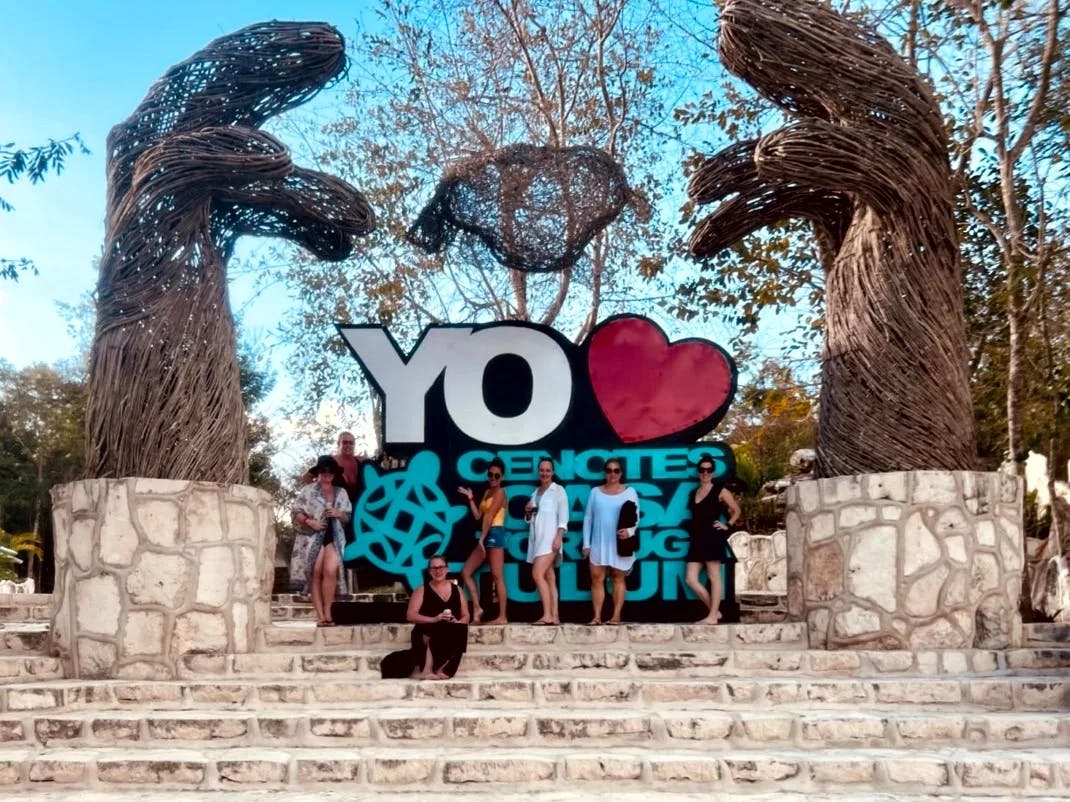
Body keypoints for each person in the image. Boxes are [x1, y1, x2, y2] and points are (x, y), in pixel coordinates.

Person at [292, 455, 352, 627]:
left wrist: (338, 513)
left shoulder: (341, 492)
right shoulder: (308, 491)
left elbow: (347, 516)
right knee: (315, 573)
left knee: (330, 571)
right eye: (324, 471)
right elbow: (297, 511)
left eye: (330, 471)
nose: (327, 474)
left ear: (334, 474)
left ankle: (328, 611)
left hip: (334, 536)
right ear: (318, 472)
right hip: (312, 536)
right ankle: (321, 616)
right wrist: (310, 521)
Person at [684, 452, 742, 624]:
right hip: (697, 539)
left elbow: (737, 510)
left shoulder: (720, 490)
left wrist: (727, 525)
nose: (705, 473)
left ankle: (712, 616)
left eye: (709, 470)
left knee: (714, 576)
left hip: (712, 538)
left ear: (714, 473)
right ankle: (714, 612)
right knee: (691, 579)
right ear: (698, 472)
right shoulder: (694, 492)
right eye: (702, 470)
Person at [583, 456, 639, 625]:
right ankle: (597, 616)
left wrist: (629, 531)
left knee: (618, 577)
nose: (612, 474)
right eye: (609, 470)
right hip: (599, 541)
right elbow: (588, 518)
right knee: (596, 578)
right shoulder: (595, 492)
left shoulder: (630, 491)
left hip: (619, 542)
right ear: (604, 473)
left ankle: (616, 616)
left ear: (621, 473)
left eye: (616, 470)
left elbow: (635, 518)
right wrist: (586, 543)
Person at [457, 457, 509, 625]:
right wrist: (471, 499)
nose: (493, 478)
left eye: (497, 475)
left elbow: (489, 516)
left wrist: (482, 538)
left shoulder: (501, 493)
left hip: (495, 532)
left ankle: (502, 616)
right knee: (466, 572)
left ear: (502, 477)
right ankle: (477, 609)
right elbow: (479, 516)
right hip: (486, 534)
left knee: (497, 576)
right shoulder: (487, 492)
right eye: (490, 475)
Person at [405, 554, 470, 679]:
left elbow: (466, 615)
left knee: (461, 627)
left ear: (447, 569)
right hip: (425, 633)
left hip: (449, 633)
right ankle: (427, 670)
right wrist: (434, 619)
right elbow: (410, 615)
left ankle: (444, 668)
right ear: (429, 571)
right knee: (437, 626)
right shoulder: (422, 590)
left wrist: (457, 622)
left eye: (441, 567)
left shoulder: (458, 590)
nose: (438, 571)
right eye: (434, 568)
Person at [525, 457, 568, 625]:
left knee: (537, 574)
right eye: (542, 470)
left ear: (553, 472)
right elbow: (532, 519)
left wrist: (559, 536)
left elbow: (563, 516)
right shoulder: (535, 493)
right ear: (538, 471)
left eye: (548, 470)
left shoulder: (558, 491)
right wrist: (528, 512)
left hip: (550, 540)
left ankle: (547, 615)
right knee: (549, 577)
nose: (545, 473)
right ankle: (555, 616)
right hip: (537, 540)